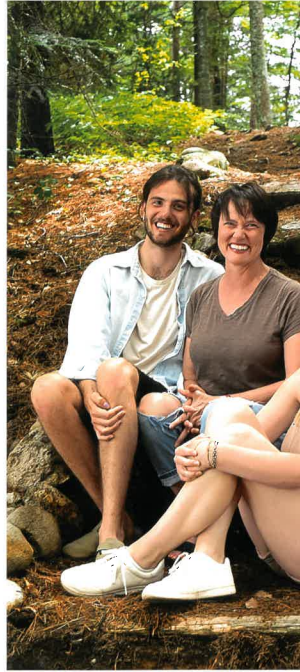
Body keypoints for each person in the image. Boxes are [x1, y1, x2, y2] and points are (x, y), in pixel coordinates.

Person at [60, 258, 300, 600]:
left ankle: (139, 560)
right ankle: (207, 561)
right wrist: (197, 454)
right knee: (227, 412)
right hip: (291, 531)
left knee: (227, 445)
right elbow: (247, 435)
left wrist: (213, 453)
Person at [31, 165, 224, 561]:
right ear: (142, 209)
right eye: (157, 203)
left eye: (178, 206)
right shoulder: (105, 271)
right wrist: (88, 395)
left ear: (193, 216)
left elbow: (213, 352)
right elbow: (86, 347)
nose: (165, 214)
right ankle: (116, 521)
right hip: (108, 390)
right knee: (47, 389)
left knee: (116, 371)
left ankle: (109, 537)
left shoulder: (210, 276)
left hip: (163, 396)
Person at [136, 182, 300, 497]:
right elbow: (189, 373)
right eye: (229, 224)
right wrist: (194, 404)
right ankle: (185, 499)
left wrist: (217, 406)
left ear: (265, 233)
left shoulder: (288, 295)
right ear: (217, 229)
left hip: (259, 420)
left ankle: (202, 522)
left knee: (222, 419)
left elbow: (297, 382)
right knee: (153, 406)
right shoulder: (202, 295)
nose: (238, 234)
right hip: (204, 414)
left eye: (251, 226)